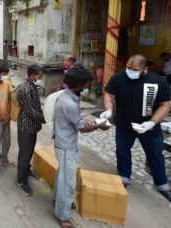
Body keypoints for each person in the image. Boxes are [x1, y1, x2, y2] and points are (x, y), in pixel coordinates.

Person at [101, 54, 171, 206]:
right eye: (128, 68)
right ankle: (124, 177)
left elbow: (165, 104)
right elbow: (109, 95)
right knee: (122, 151)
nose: (130, 71)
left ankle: (162, 185)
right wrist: (109, 110)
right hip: (124, 124)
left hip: (149, 127)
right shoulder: (119, 78)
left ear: (145, 69)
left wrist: (152, 123)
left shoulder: (158, 81)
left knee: (155, 155)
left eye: (134, 69)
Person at [53, 65, 110, 228]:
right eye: (86, 85)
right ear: (78, 85)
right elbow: (82, 129)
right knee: (68, 182)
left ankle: (58, 200)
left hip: (62, 142)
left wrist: (86, 120)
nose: (87, 88)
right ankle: (62, 216)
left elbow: (74, 120)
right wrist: (99, 126)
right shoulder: (69, 102)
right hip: (66, 146)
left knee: (62, 176)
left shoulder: (66, 96)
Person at [17, 65, 44, 196]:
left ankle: (26, 170)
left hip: (32, 126)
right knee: (24, 153)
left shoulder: (32, 85)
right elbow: (30, 110)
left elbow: (37, 104)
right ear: (32, 75)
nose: (41, 78)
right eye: (39, 75)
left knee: (29, 151)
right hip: (25, 126)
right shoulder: (25, 89)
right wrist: (44, 117)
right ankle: (21, 180)